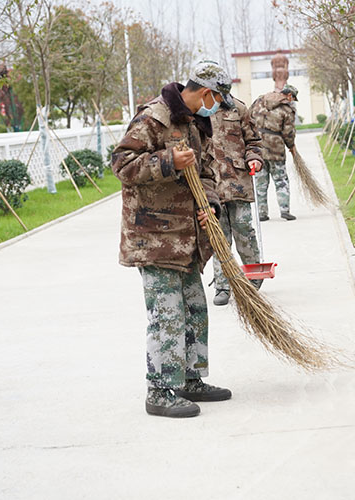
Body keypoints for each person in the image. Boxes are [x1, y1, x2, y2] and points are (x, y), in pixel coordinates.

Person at [111, 61, 234, 419]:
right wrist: (167, 161)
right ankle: (160, 390)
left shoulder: (196, 123)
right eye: (217, 99)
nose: (218, 107)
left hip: (186, 239)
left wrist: (208, 204)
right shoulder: (154, 117)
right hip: (153, 237)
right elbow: (121, 164)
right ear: (206, 92)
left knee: (194, 309)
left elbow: (206, 170)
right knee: (167, 316)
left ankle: (189, 379)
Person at [210, 97, 264, 306]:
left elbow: (254, 142)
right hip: (211, 184)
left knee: (243, 228)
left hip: (238, 181)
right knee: (219, 235)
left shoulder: (238, 108)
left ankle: (253, 277)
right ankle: (223, 285)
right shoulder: (198, 111)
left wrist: (255, 158)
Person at [250, 84, 299, 221]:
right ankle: (284, 210)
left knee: (261, 182)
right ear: (289, 95)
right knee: (281, 180)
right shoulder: (287, 109)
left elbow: (248, 118)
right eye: (293, 98)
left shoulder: (260, 100)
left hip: (258, 146)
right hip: (276, 149)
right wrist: (292, 146)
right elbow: (288, 132)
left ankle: (262, 213)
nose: (292, 101)